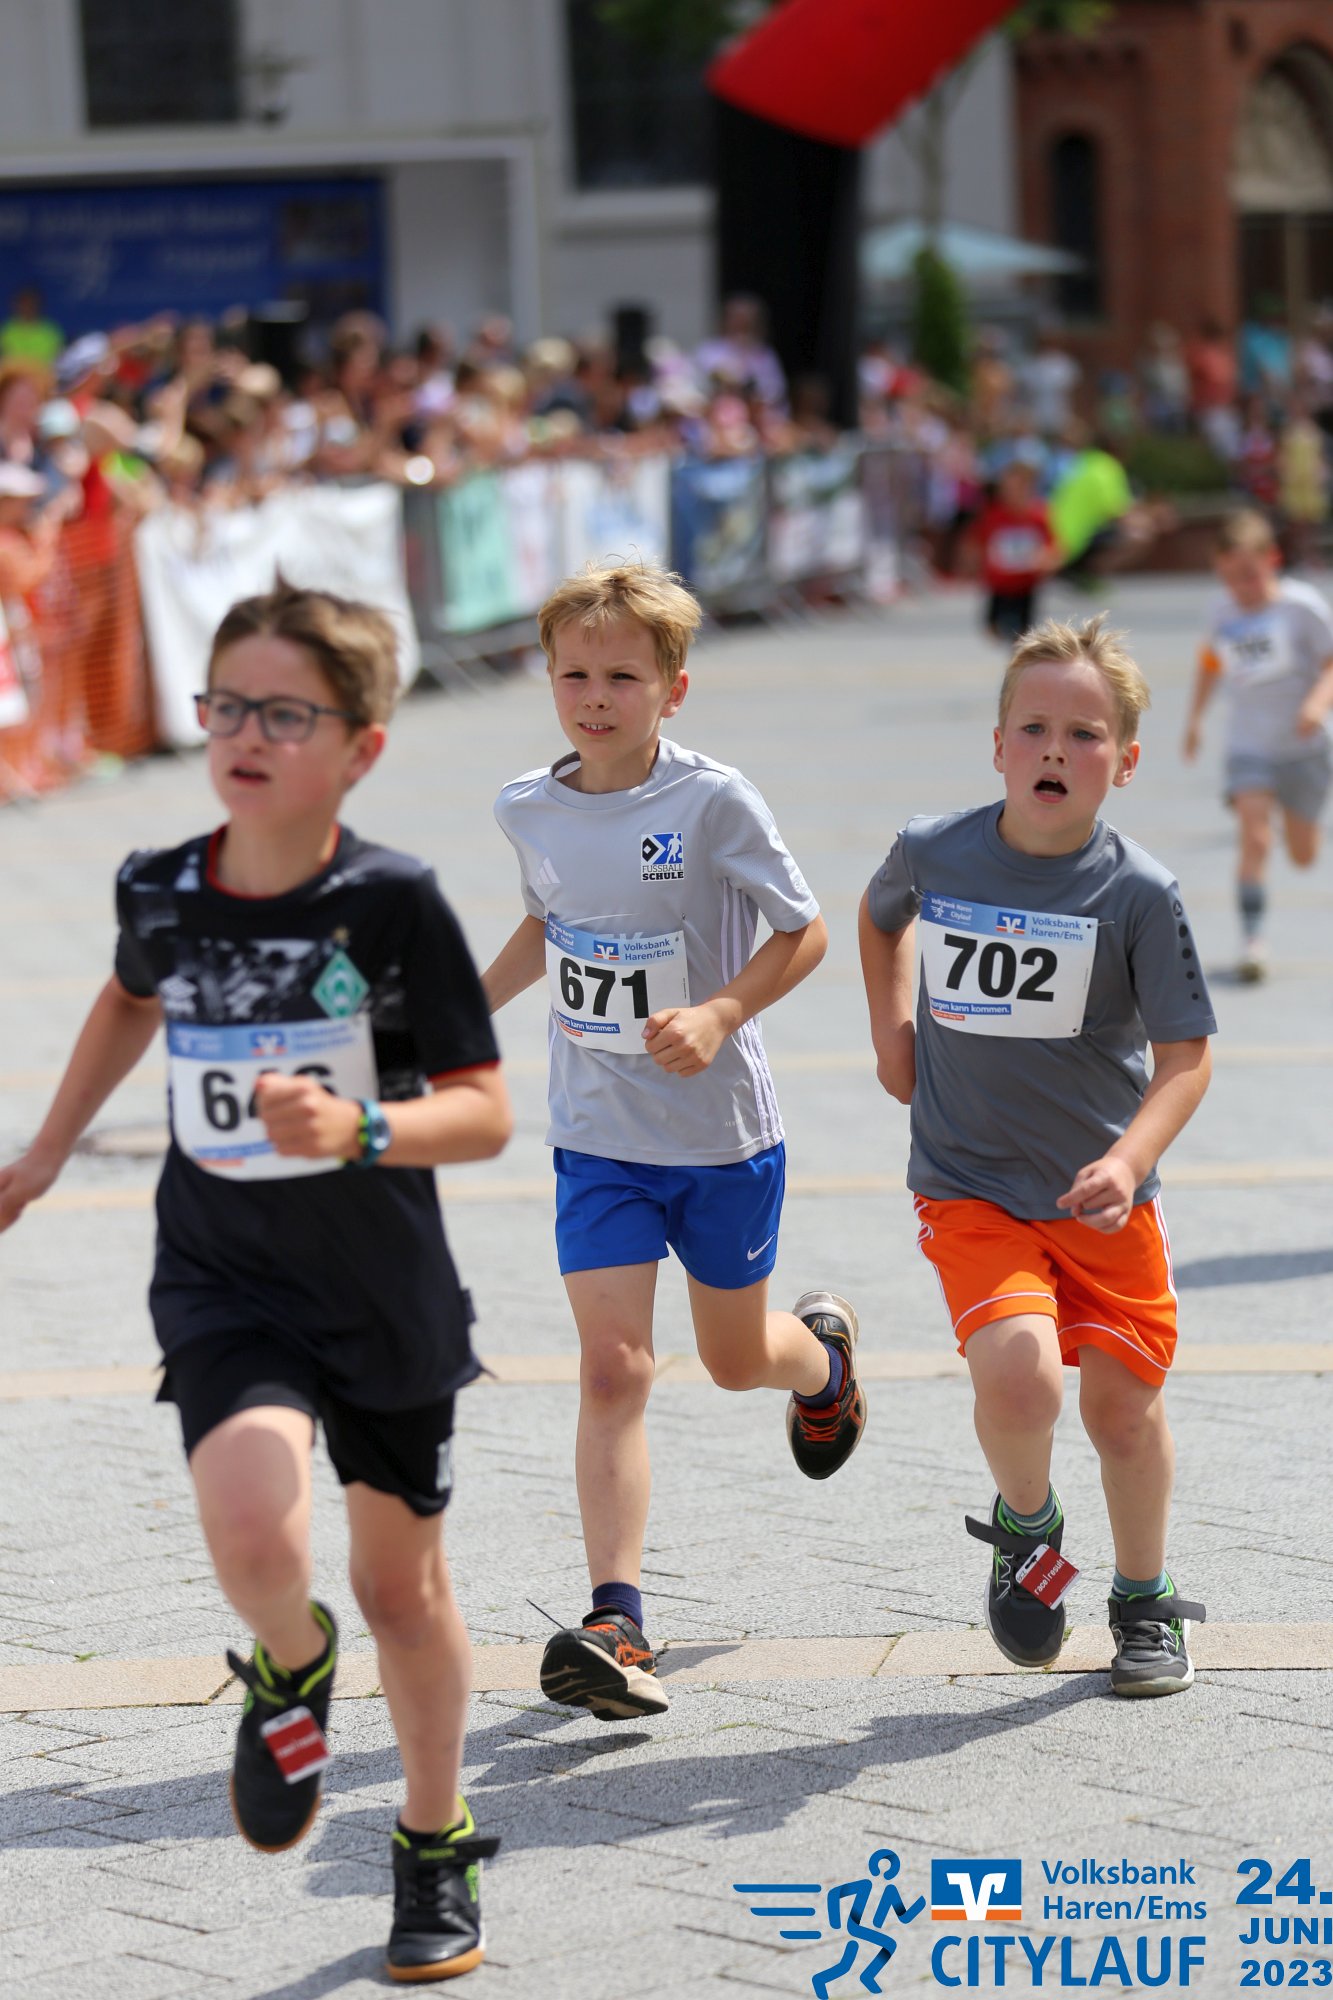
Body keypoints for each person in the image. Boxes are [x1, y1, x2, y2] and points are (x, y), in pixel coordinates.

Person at [0, 583, 512, 1983]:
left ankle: (433, 1836)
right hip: (224, 1276)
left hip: (383, 1290)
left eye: (286, 714)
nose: (246, 734)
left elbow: (483, 1110)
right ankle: (290, 1660)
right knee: (250, 1529)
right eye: (228, 705)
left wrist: (360, 1128)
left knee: (401, 1588)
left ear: (360, 747)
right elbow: (131, 993)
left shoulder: (392, 902)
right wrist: (44, 1150)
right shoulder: (161, 885)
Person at [484, 561, 866, 1720]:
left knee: (737, 1357)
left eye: (621, 677)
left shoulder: (713, 802)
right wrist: (459, 1007)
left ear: (672, 688)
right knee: (614, 1366)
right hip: (595, 1133)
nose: (594, 697)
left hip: (718, 1136)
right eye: (574, 675)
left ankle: (824, 1365)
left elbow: (803, 932)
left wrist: (719, 1012)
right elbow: (547, 922)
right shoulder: (527, 805)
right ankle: (617, 1617)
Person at [859, 615, 1214, 1697]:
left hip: (1101, 1201)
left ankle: (1143, 1599)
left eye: (1084, 734)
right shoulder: (934, 849)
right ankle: (1028, 1531)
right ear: (998, 745)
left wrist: (1130, 1159)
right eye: (1034, 728)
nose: (1055, 749)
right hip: (968, 1182)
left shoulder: (1139, 892)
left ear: (1125, 761)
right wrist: (890, 1033)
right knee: (1017, 1379)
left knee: (1120, 1413)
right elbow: (879, 916)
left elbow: (1186, 1058)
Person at [1182, 510, 1333, 982]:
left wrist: (1316, 703)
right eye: (1229, 578)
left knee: (1304, 856)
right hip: (1249, 745)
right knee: (1255, 836)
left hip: (1304, 747)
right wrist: (1195, 720)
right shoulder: (1221, 612)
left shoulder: (1302, 607)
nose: (1240, 588)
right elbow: (1210, 662)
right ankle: (1253, 940)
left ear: (1273, 559)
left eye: (1248, 575)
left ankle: (1293, 819)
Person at [973, 455, 1057, 645]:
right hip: (999, 584)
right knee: (992, 628)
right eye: (1008, 488)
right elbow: (978, 543)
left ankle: (1017, 654)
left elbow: (1054, 546)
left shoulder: (1039, 515)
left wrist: (1046, 560)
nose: (1013, 493)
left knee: (1024, 634)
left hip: (1026, 584)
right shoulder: (993, 515)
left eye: (1019, 488)